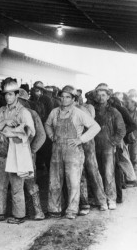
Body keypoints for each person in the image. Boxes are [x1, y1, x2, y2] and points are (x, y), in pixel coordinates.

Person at [45, 85, 101, 219]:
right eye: (62, 97)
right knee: (54, 180)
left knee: (73, 181)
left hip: (73, 151)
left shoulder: (79, 112)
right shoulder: (54, 112)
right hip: (57, 149)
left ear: (73, 99)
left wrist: (81, 139)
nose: (64, 100)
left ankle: (72, 210)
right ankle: (54, 209)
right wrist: (51, 135)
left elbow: (95, 127)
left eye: (67, 97)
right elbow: (47, 124)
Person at [0, 80, 35, 224]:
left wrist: (12, 132)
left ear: (17, 95)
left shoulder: (23, 111)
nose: (7, 97)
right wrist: (5, 123)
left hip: (17, 152)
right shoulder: (2, 110)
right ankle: (0, 212)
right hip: (3, 151)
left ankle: (19, 215)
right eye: (6, 95)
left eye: (10, 94)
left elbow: (31, 132)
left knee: (16, 185)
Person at [93, 84, 126, 209]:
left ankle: (111, 199)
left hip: (108, 147)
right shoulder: (92, 110)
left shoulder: (114, 111)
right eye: (99, 95)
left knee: (108, 173)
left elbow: (121, 130)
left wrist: (113, 142)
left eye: (103, 95)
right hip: (94, 146)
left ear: (108, 97)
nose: (101, 98)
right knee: (97, 173)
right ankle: (101, 200)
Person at [17, 89, 46, 220]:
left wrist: (32, 150)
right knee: (18, 184)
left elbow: (41, 135)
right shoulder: (9, 112)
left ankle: (38, 211)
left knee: (30, 182)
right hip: (13, 153)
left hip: (26, 153)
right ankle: (27, 211)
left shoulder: (32, 114)